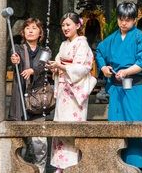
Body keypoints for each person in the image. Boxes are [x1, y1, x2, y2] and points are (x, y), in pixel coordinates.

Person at [96, 1, 142, 170]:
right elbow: (99, 51)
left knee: (136, 123)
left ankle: (138, 165)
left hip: (135, 87)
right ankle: (117, 163)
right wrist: (103, 68)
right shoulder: (111, 38)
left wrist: (126, 71)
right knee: (116, 123)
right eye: (121, 19)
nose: (124, 23)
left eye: (128, 19)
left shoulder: (141, 38)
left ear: (135, 20)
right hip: (116, 88)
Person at [46, 12, 96, 173]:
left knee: (72, 125)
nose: (65, 28)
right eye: (63, 25)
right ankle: (60, 166)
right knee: (60, 124)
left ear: (78, 25)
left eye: (68, 24)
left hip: (75, 91)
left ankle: (73, 165)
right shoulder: (63, 45)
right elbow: (59, 61)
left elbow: (84, 67)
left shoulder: (82, 44)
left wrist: (62, 66)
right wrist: (54, 67)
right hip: (63, 88)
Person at [8, 18, 50, 173]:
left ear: (40, 33)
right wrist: (15, 60)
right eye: (27, 28)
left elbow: (42, 65)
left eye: (34, 28)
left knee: (40, 141)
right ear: (23, 32)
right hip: (20, 101)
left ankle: (40, 170)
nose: (30, 30)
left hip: (37, 101)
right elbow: (14, 59)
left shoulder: (46, 51)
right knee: (21, 143)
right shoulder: (17, 48)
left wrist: (33, 70)